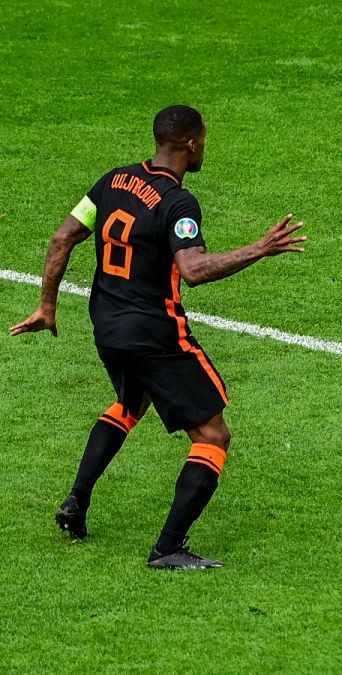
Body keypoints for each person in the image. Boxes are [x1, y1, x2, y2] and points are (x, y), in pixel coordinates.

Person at [9, 105, 306, 570]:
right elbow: (193, 270)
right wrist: (261, 248)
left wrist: (47, 306)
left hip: (106, 326)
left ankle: (76, 502)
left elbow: (62, 238)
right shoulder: (178, 203)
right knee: (212, 435)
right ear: (190, 144)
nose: (205, 146)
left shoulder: (113, 181)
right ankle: (168, 548)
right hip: (153, 332)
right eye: (204, 139)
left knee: (131, 404)